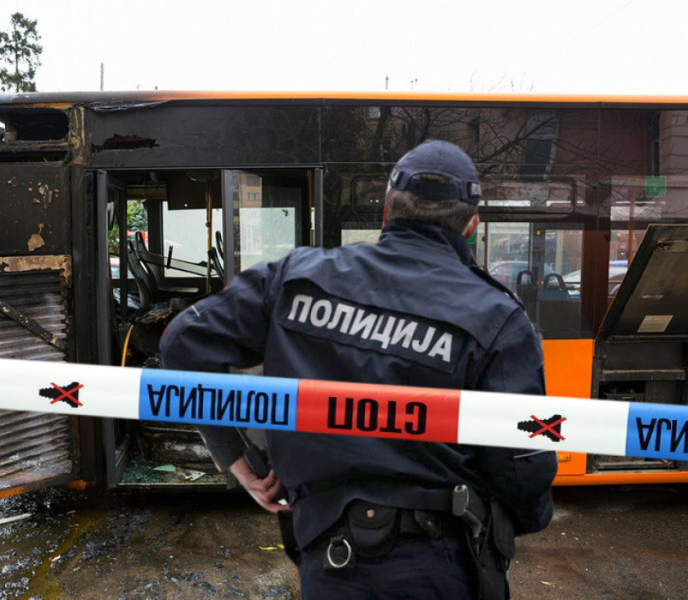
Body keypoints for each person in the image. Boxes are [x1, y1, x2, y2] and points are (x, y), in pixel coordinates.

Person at [160, 140, 557, 599]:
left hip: (329, 559)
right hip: (442, 564)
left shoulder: (295, 277)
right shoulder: (498, 317)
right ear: (472, 225)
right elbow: (523, 462)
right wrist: (523, 521)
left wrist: (238, 461)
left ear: (387, 213)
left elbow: (181, 343)